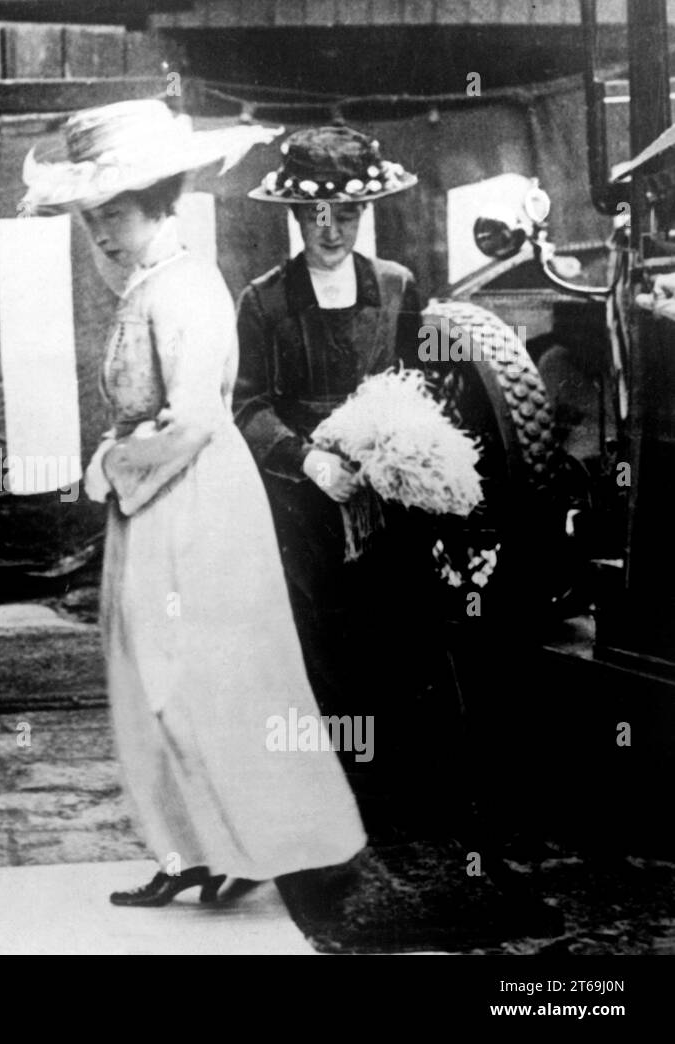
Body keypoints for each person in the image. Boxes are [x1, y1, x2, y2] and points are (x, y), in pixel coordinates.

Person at [20, 99, 366, 907]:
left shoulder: (186, 286)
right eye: (90, 218)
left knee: (214, 681)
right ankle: (191, 849)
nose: (102, 232)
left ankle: (274, 842)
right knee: (151, 681)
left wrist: (115, 460)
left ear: (161, 204)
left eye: (116, 214)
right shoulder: (151, 281)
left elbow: (200, 417)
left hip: (196, 500)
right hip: (156, 501)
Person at [234, 126, 453, 794]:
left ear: (365, 213)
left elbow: (431, 376)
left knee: (396, 629)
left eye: (348, 213)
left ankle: (398, 787)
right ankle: (329, 790)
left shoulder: (397, 286)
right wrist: (309, 462)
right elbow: (247, 407)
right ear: (296, 216)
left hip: (385, 499)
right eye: (316, 214)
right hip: (304, 505)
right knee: (320, 639)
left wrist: (414, 445)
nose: (332, 230)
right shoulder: (264, 300)